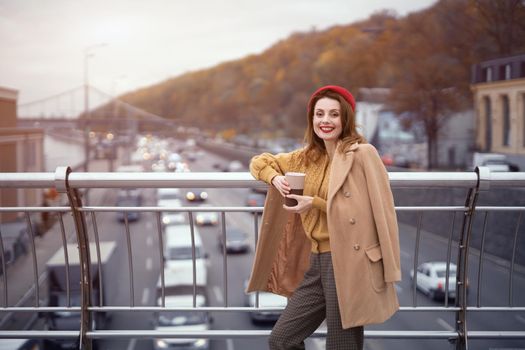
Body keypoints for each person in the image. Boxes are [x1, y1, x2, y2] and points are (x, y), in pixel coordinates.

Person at [246, 85, 401, 350]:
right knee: (282, 339)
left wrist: (315, 203)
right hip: (317, 261)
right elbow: (259, 162)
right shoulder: (306, 158)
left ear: (346, 119)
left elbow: (368, 212)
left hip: (349, 260)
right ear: (312, 119)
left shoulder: (363, 154)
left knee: (341, 344)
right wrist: (275, 178)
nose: (325, 121)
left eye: (333, 114)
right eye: (319, 114)